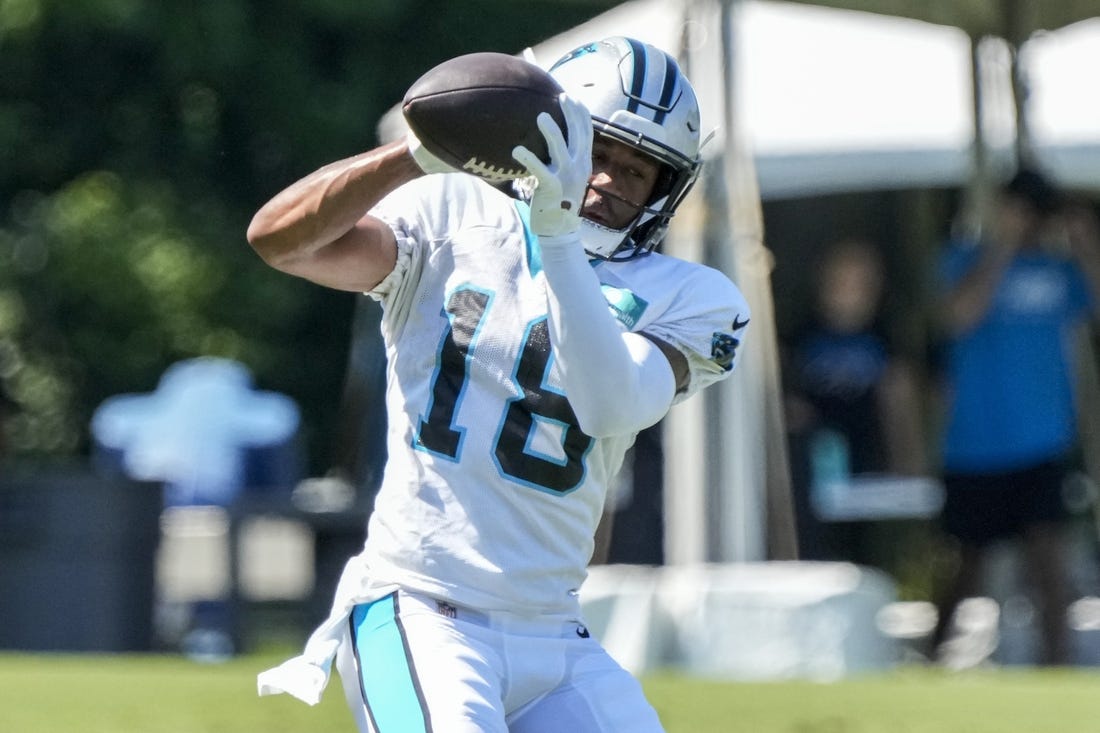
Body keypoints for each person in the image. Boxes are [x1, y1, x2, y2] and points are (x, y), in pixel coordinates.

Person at [249, 37, 750, 732]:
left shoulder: (693, 295)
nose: (607, 180)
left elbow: (610, 405)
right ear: (549, 132)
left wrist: (560, 239)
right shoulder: (454, 214)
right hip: (421, 607)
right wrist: (419, 152)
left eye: (638, 171)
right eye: (596, 150)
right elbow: (279, 240)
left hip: (555, 632)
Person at [929, 168, 1100, 666]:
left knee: (1050, 565)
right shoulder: (962, 259)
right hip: (975, 444)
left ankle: (1058, 673)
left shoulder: (1061, 270)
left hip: (1044, 442)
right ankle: (927, 663)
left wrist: (1085, 245)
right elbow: (958, 316)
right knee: (968, 568)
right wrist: (1001, 248)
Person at [783, 236, 926, 565]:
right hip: (810, 466)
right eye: (841, 280)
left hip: (867, 460)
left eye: (862, 282)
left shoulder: (884, 336)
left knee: (863, 553)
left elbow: (899, 405)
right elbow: (776, 392)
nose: (850, 291)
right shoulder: (800, 331)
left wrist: (908, 462)